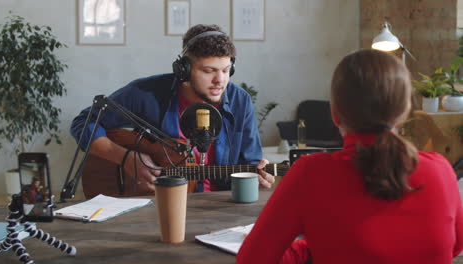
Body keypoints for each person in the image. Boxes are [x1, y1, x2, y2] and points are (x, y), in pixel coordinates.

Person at [237, 49, 463, 263]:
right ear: (404, 112)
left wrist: (313, 246)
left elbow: (253, 259)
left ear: (335, 114)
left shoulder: (311, 174)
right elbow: (454, 245)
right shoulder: (441, 170)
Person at [70, 24, 275, 195]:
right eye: (208, 71)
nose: (219, 81)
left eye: (225, 70)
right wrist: (125, 158)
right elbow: (84, 122)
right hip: (153, 207)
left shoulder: (240, 101)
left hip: (219, 208)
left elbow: (251, 164)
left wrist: (258, 177)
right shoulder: (146, 93)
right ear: (183, 70)